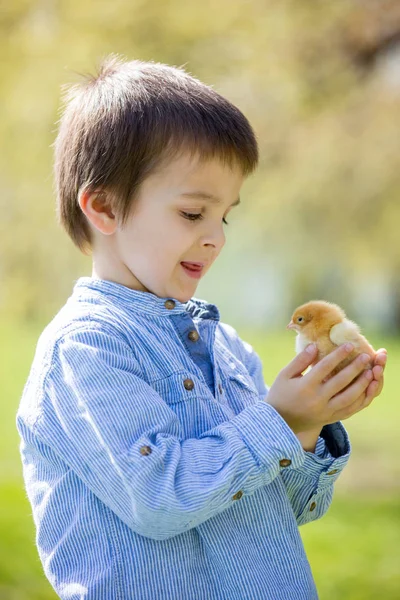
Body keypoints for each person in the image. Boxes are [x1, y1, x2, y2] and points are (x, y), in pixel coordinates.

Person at [16, 55, 386, 600]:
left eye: (225, 216)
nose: (216, 237)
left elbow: (282, 507)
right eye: (193, 214)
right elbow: (161, 498)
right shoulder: (85, 351)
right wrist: (277, 419)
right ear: (104, 208)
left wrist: (308, 423)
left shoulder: (225, 347)